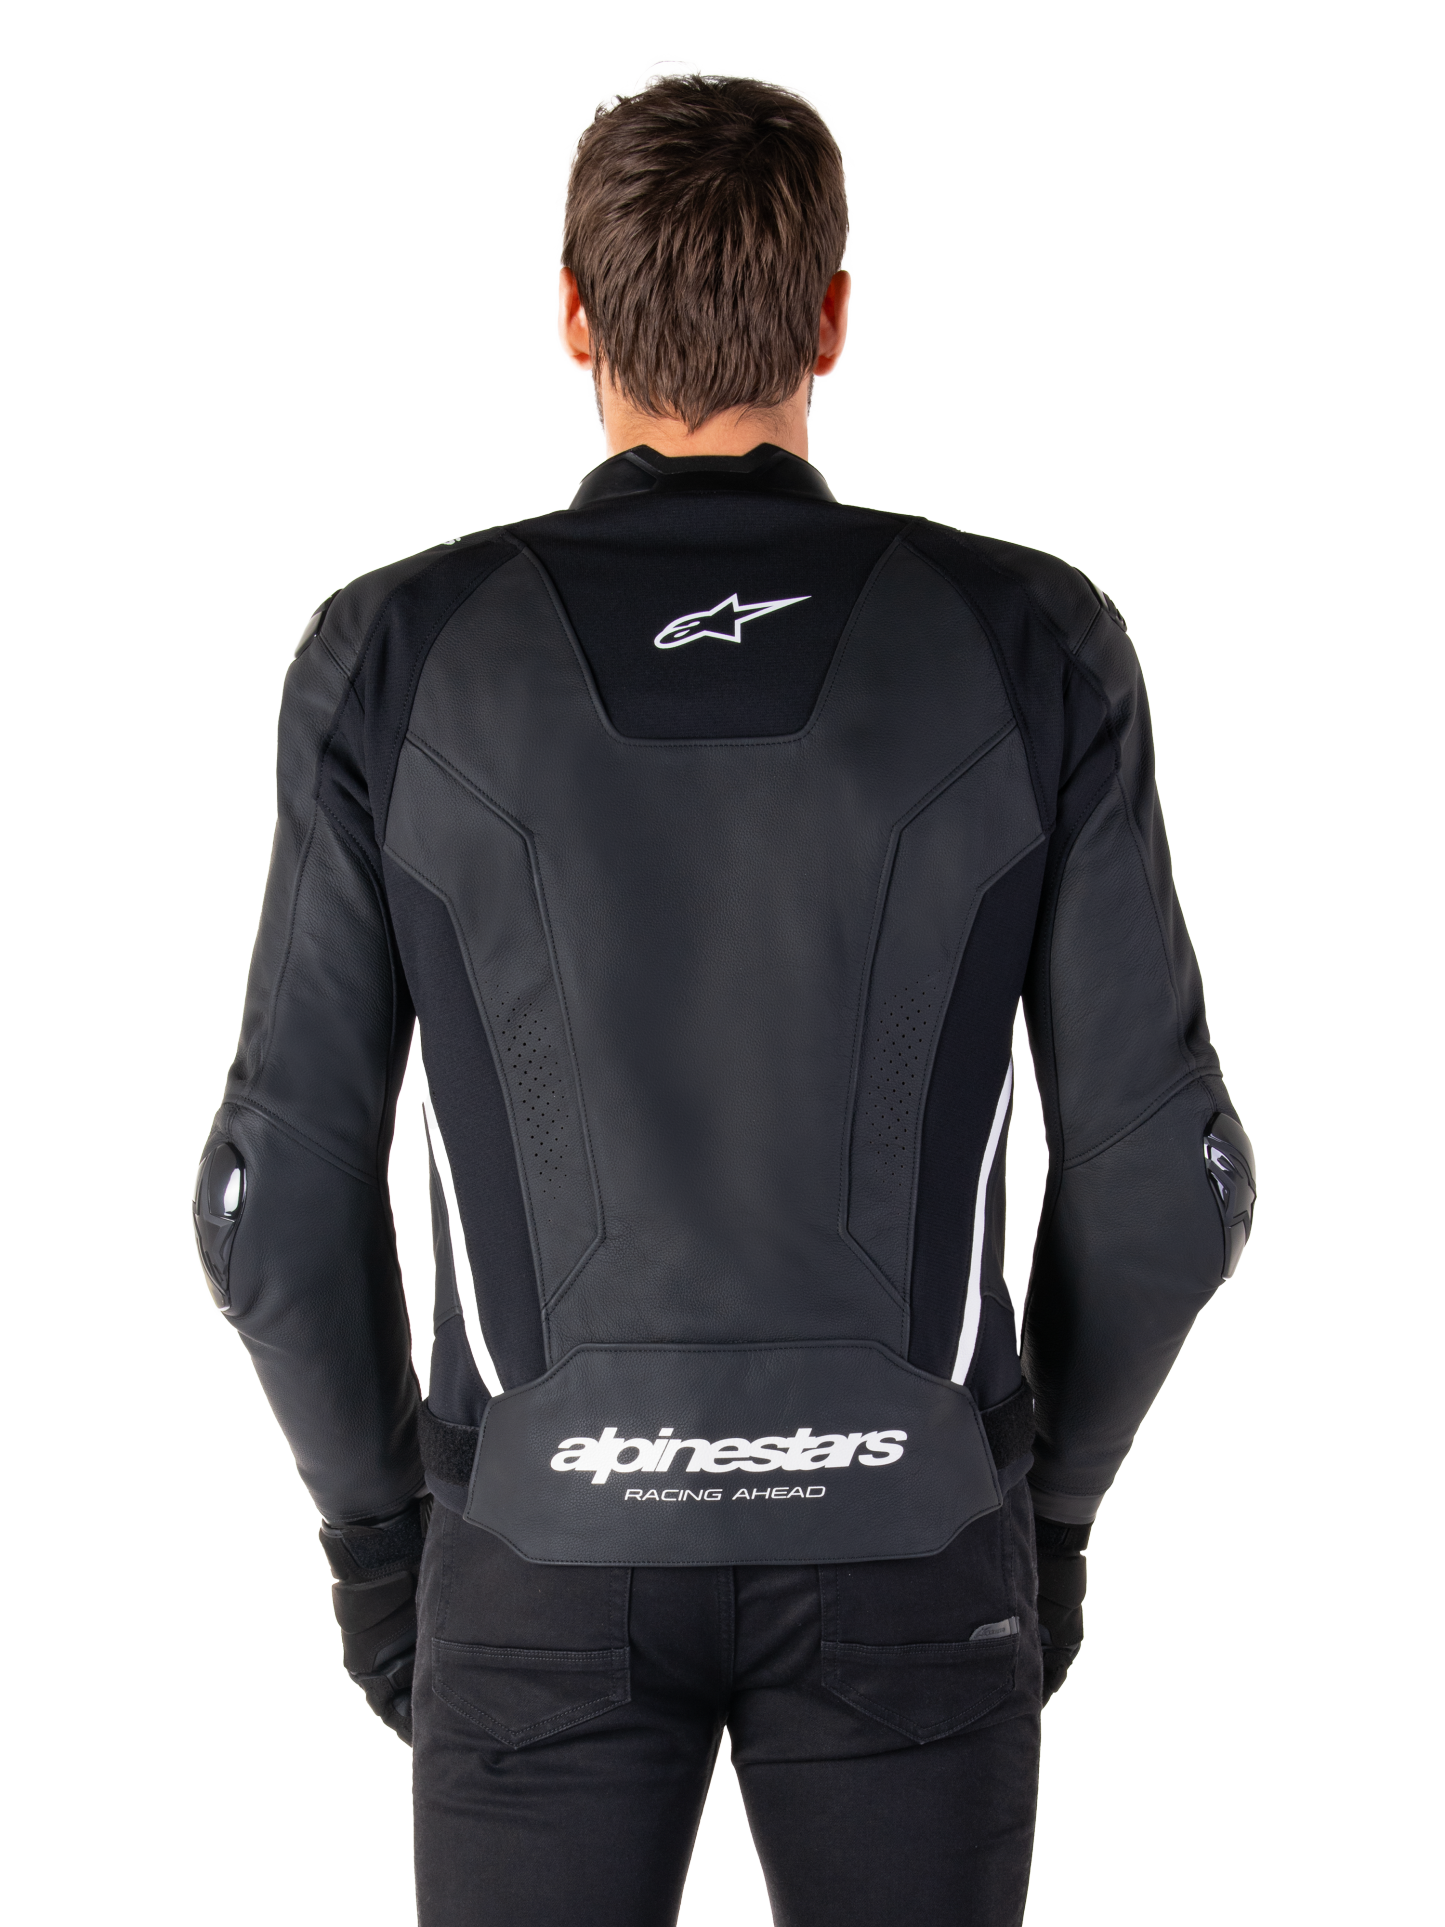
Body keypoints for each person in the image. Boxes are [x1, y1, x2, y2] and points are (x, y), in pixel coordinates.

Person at [192, 67, 1255, 1927]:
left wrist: (377, 1549)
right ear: (832, 319)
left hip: (535, 1535)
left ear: (571, 316)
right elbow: (1170, 1185)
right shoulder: (1033, 641)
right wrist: (1047, 1516)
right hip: (916, 1527)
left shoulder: (398, 653)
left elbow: (272, 1196)